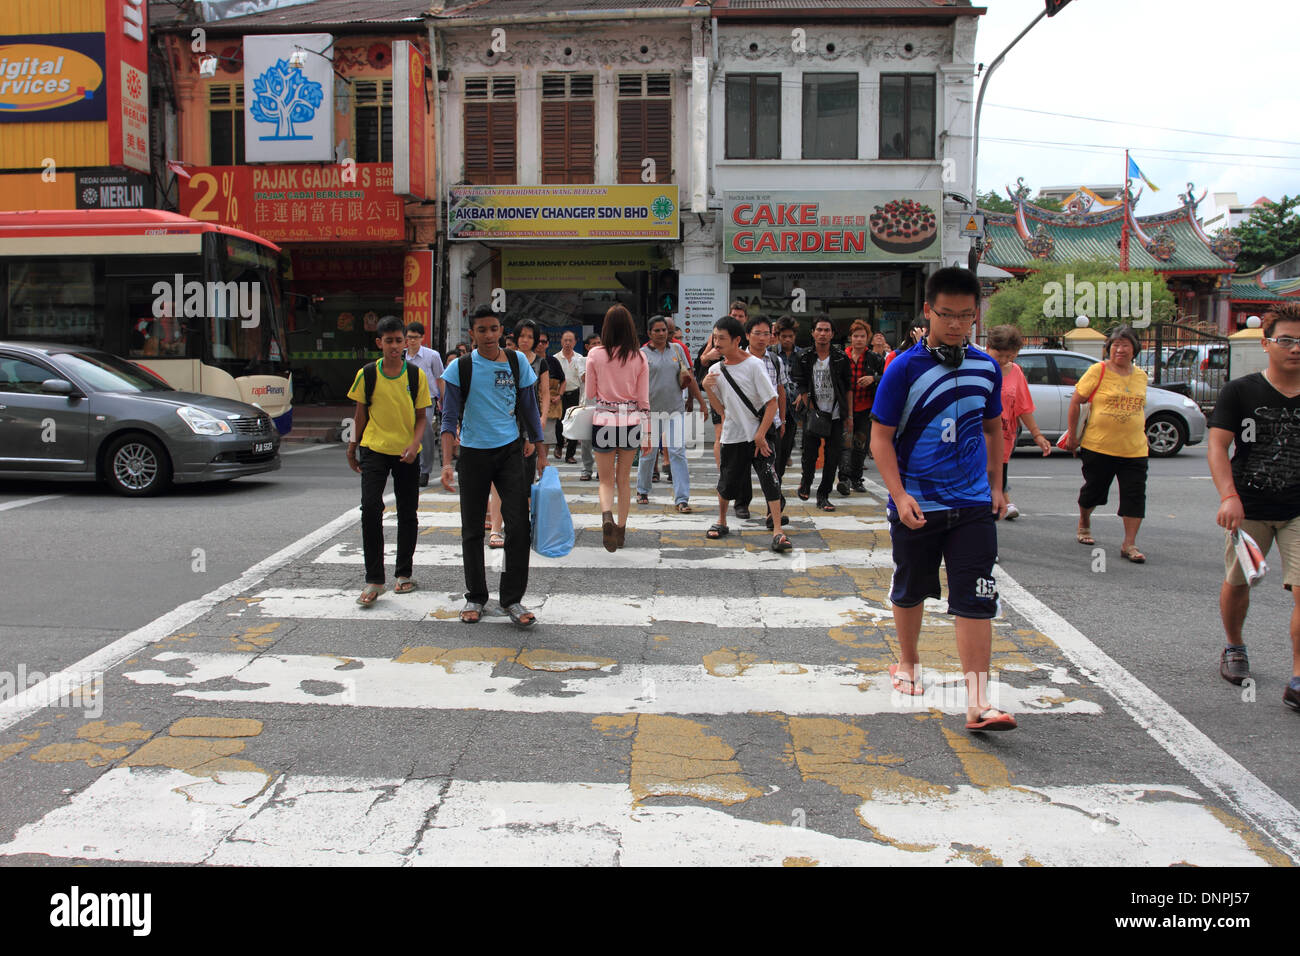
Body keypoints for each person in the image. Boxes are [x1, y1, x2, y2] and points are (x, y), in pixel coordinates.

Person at [870, 266, 1013, 732]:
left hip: (972, 506)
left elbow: (994, 428)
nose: (955, 324)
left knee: (976, 596)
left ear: (976, 315)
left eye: (965, 316)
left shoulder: (986, 366)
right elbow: (880, 438)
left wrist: (996, 485)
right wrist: (898, 493)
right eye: (946, 315)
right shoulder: (903, 368)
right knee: (911, 587)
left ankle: (978, 701)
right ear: (928, 311)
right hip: (917, 504)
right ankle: (907, 662)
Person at [1208, 302, 1300, 710]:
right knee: (1240, 582)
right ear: (1266, 343)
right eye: (1286, 340)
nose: (1295, 348)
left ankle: (1298, 677)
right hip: (1250, 507)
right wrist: (1229, 495)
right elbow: (1217, 445)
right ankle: (1234, 645)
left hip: (1298, 509)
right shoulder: (1241, 391)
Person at [439, 306, 545, 628]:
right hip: (472, 454)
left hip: (511, 452)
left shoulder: (517, 363)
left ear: (502, 332)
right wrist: (446, 462)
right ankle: (476, 596)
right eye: (481, 330)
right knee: (472, 529)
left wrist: (541, 453)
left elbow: (529, 407)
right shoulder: (461, 367)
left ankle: (512, 599)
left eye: (494, 329)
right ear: (472, 333)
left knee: (519, 527)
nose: (488, 335)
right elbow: (449, 417)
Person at [346, 316, 433, 607]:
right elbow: (360, 414)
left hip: (407, 452)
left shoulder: (415, 376)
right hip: (373, 448)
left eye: (400, 340)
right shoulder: (367, 374)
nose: (395, 346)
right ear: (379, 343)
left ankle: (403, 574)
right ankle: (374, 580)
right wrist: (352, 446)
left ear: (406, 342)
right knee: (370, 508)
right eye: (390, 341)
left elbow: (422, 417)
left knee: (408, 511)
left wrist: (414, 443)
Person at [703, 316, 791, 553]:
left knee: (770, 480)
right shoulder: (715, 370)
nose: (717, 343)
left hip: (760, 436)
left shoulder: (754, 365)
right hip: (733, 436)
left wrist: (761, 435)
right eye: (715, 338)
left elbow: (771, 402)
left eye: (722, 338)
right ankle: (721, 521)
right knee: (727, 482)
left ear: (736, 340)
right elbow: (721, 411)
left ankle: (777, 531)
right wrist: (706, 387)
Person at [1064, 325, 1149, 563]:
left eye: (1125, 345)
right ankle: (1084, 520)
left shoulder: (1141, 376)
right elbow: (1076, 402)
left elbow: (1141, 407)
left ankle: (1129, 544)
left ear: (1134, 349)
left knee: (1135, 496)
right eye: (1115, 345)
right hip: (1098, 446)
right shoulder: (1098, 371)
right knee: (1094, 491)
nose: (1119, 350)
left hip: (1135, 449)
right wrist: (1072, 435)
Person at [585, 305, 650, 552]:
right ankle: (621, 531)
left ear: (606, 328)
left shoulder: (595, 355)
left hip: (603, 421)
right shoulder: (640, 356)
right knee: (624, 480)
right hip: (631, 422)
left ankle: (606, 517)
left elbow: (590, 393)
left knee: (605, 480)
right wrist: (649, 433)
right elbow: (644, 399)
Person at [486, 320, 551, 548]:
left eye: (530, 337)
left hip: (528, 426)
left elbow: (543, 394)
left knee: (525, 481)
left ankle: (522, 528)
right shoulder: (504, 359)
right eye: (522, 336)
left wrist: (539, 424)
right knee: (498, 481)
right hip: (504, 426)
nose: (525, 340)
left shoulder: (540, 363)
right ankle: (495, 530)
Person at [985, 325, 1052, 520]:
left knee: (996, 484)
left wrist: (1037, 435)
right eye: (1000, 355)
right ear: (988, 347)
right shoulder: (978, 367)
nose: (1004, 360)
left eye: (1010, 356)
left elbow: (1023, 407)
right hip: (977, 438)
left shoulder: (1015, 372)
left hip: (1004, 440)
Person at [791, 316, 852, 512]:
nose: (823, 334)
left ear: (833, 334)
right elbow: (799, 381)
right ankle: (806, 482)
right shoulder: (804, 357)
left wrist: (849, 416)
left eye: (827, 330)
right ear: (813, 333)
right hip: (814, 413)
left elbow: (849, 388)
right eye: (819, 330)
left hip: (835, 415)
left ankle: (823, 495)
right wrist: (806, 399)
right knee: (809, 456)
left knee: (832, 457)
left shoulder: (841, 358)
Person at [637, 316, 696, 513]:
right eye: (657, 330)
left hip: (675, 409)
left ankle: (682, 498)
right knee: (648, 453)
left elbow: (688, 375)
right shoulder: (641, 354)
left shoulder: (678, 350)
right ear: (649, 333)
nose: (661, 334)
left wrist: (694, 400)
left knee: (677, 452)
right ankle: (643, 490)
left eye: (664, 330)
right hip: (650, 411)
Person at [738, 314, 790, 529]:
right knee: (741, 467)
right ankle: (742, 503)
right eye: (757, 333)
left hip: (771, 423)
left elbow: (781, 391)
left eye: (766, 334)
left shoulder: (776, 361)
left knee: (771, 468)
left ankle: (772, 512)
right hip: (745, 422)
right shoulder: (738, 360)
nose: (762, 338)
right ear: (747, 335)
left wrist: (783, 419)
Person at [842, 319, 884, 495]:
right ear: (851, 338)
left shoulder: (874, 358)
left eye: (862, 336)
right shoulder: (842, 356)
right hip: (844, 408)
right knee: (844, 444)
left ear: (868, 339)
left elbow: (887, 378)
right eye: (855, 336)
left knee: (860, 445)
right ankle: (843, 478)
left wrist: (873, 379)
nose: (859, 339)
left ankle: (856, 479)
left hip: (866, 407)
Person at [404, 321, 446, 488]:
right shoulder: (402, 355)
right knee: (407, 433)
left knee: (426, 432)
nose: (412, 341)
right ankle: (408, 465)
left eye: (415, 338)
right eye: (409, 338)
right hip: (405, 401)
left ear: (422, 338)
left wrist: (443, 399)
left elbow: (440, 378)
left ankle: (425, 470)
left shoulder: (432, 355)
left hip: (427, 399)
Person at [772, 316, 803, 472]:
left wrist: (802, 394)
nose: (787, 340)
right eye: (784, 336)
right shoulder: (771, 354)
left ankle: (779, 478)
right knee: (774, 447)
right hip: (773, 406)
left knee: (786, 448)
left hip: (793, 408)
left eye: (790, 336)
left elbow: (806, 379)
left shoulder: (802, 355)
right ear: (777, 337)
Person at [695, 331, 726, 470]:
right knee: (719, 434)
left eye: (740, 316)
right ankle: (722, 473)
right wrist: (710, 350)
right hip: (718, 395)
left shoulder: (746, 338)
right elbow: (702, 360)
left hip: (741, 397)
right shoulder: (714, 342)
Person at [554, 331, 585, 462]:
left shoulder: (580, 358)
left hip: (575, 393)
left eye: (570, 340)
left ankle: (570, 455)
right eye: (565, 340)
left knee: (574, 423)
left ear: (575, 342)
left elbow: (583, 378)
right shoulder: (555, 358)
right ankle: (559, 444)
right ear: (561, 341)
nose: (567, 343)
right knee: (559, 422)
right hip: (560, 395)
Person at [575, 333, 602, 481]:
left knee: (602, 439)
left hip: (603, 405)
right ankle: (586, 468)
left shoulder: (607, 360)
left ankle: (601, 468)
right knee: (586, 441)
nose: (597, 346)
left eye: (599, 343)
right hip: (586, 405)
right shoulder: (581, 360)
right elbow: (585, 377)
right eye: (593, 344)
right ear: (587, 347)